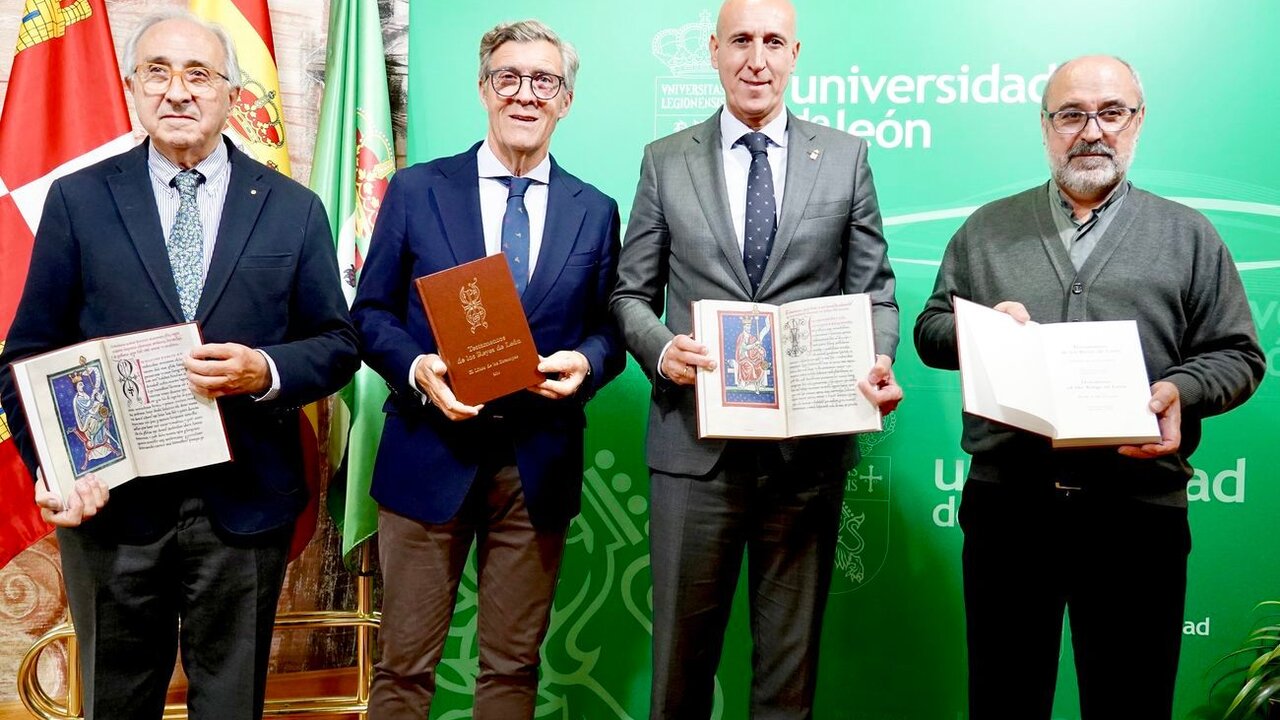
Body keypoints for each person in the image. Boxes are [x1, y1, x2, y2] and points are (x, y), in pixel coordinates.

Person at [0, 10, 359, 719]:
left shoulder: (292, 207)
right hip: (112, 505)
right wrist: (59, 468)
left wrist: (265, 369)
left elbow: (337, 343)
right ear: (134, 87)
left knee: (230, 705)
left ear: (230, 92)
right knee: (116, 700)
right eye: (158, 72)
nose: (178, 91)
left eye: (198, 74)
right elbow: (26, 354)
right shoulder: (79, 200)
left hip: (244, 505)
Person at [913, 55, 1265, 719]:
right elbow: (930, 328)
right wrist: (978, 331)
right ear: (1045, 126)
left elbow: (1239, 355)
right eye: (1071, 114)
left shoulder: (1188, 234)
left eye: (1111, 113)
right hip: (1009, 512)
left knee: (1131, 701)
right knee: (1004, 700)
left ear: (1138, 123)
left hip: (1135, 517)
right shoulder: (986, 228)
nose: (1091, 131)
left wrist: (1179, 391)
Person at [610, 0, 902, 716]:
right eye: (741, 40)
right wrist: (659, 347)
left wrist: (880, 359)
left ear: (795, 55)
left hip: (805, 455)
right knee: (679, 668)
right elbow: (627, 295)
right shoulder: (664, 160)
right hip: (693, 447)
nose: (756, 58)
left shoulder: (844, 156)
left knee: (787, 672)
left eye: (774, 41)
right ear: (713, 50)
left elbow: (876, 293)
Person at [350, 19, 624, 720]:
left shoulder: (595, 211)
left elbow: (609, 331)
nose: (525, 95)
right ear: (483, 89)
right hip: (427, 453)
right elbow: (371, 313)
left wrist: (585, 363)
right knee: (404, 667)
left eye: (544, 81)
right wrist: (417, 368)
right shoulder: (415, 191)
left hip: (535, 464)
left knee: (511, 667)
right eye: (509, 78)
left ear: (565, 99)